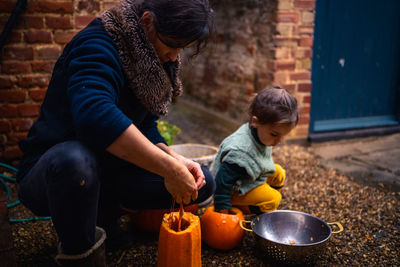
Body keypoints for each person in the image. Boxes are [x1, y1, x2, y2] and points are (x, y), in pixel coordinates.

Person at [16, 0, 215, 265]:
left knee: (201, 184)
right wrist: (167, 169)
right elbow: (95, 117)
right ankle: (81, 253)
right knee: (74, 161)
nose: (174, 56)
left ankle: (104, 211)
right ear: (147, 22)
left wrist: (175, 160)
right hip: (54, 175)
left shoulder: (145, 56)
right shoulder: (97, 45)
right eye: (172, 45)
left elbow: (144, 125)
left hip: (107, 169)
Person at [211, 86, 298, 215]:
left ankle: (265, 203)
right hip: (234, 190)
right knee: (274, 199)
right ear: (255, 122)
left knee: (279, 173)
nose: (280, 140)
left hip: (248, 176)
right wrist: (223, 208)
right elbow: (222, 182)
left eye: (284, 135)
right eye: (275, 134)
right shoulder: (240, 153)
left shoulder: (260, 132)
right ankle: (249, 208)